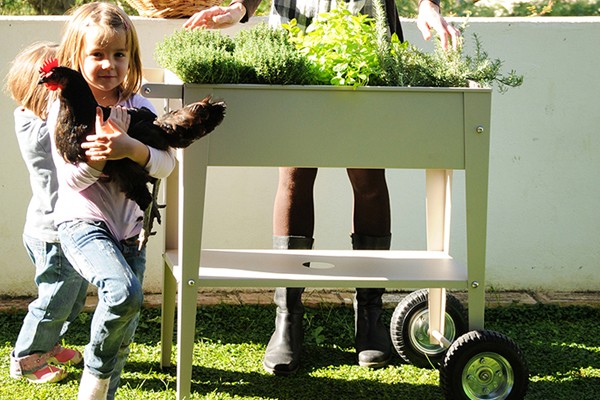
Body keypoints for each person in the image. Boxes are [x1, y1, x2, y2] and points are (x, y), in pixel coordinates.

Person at [184, 0, 460, 375]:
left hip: (366, 42)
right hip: (294, 40)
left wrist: (427, 6)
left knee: (368, 178)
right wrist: (239, 9)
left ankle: (369, 320)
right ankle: (287, 321)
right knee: (296, 174)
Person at [47, 3, 176, 398]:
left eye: (119, 54)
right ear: (77, 58)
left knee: (125, 322)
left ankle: (103, 389)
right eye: (97, 54)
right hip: (82, 221)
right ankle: (94, 377)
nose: (109, 64)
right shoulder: (63, 107)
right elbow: (70, 179)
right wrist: (100, 158)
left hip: (132, 229)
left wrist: (131, 148)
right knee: (124, 294)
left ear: (131, 58)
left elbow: (166, 166)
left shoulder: (139, 106)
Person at [5, 41, 88, 384]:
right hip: (51, 233)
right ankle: (27, 358)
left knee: (73, 297)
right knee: (54, 299)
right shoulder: (38, 129)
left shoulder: (41, 120)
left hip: (64, 228)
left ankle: (48, 345)